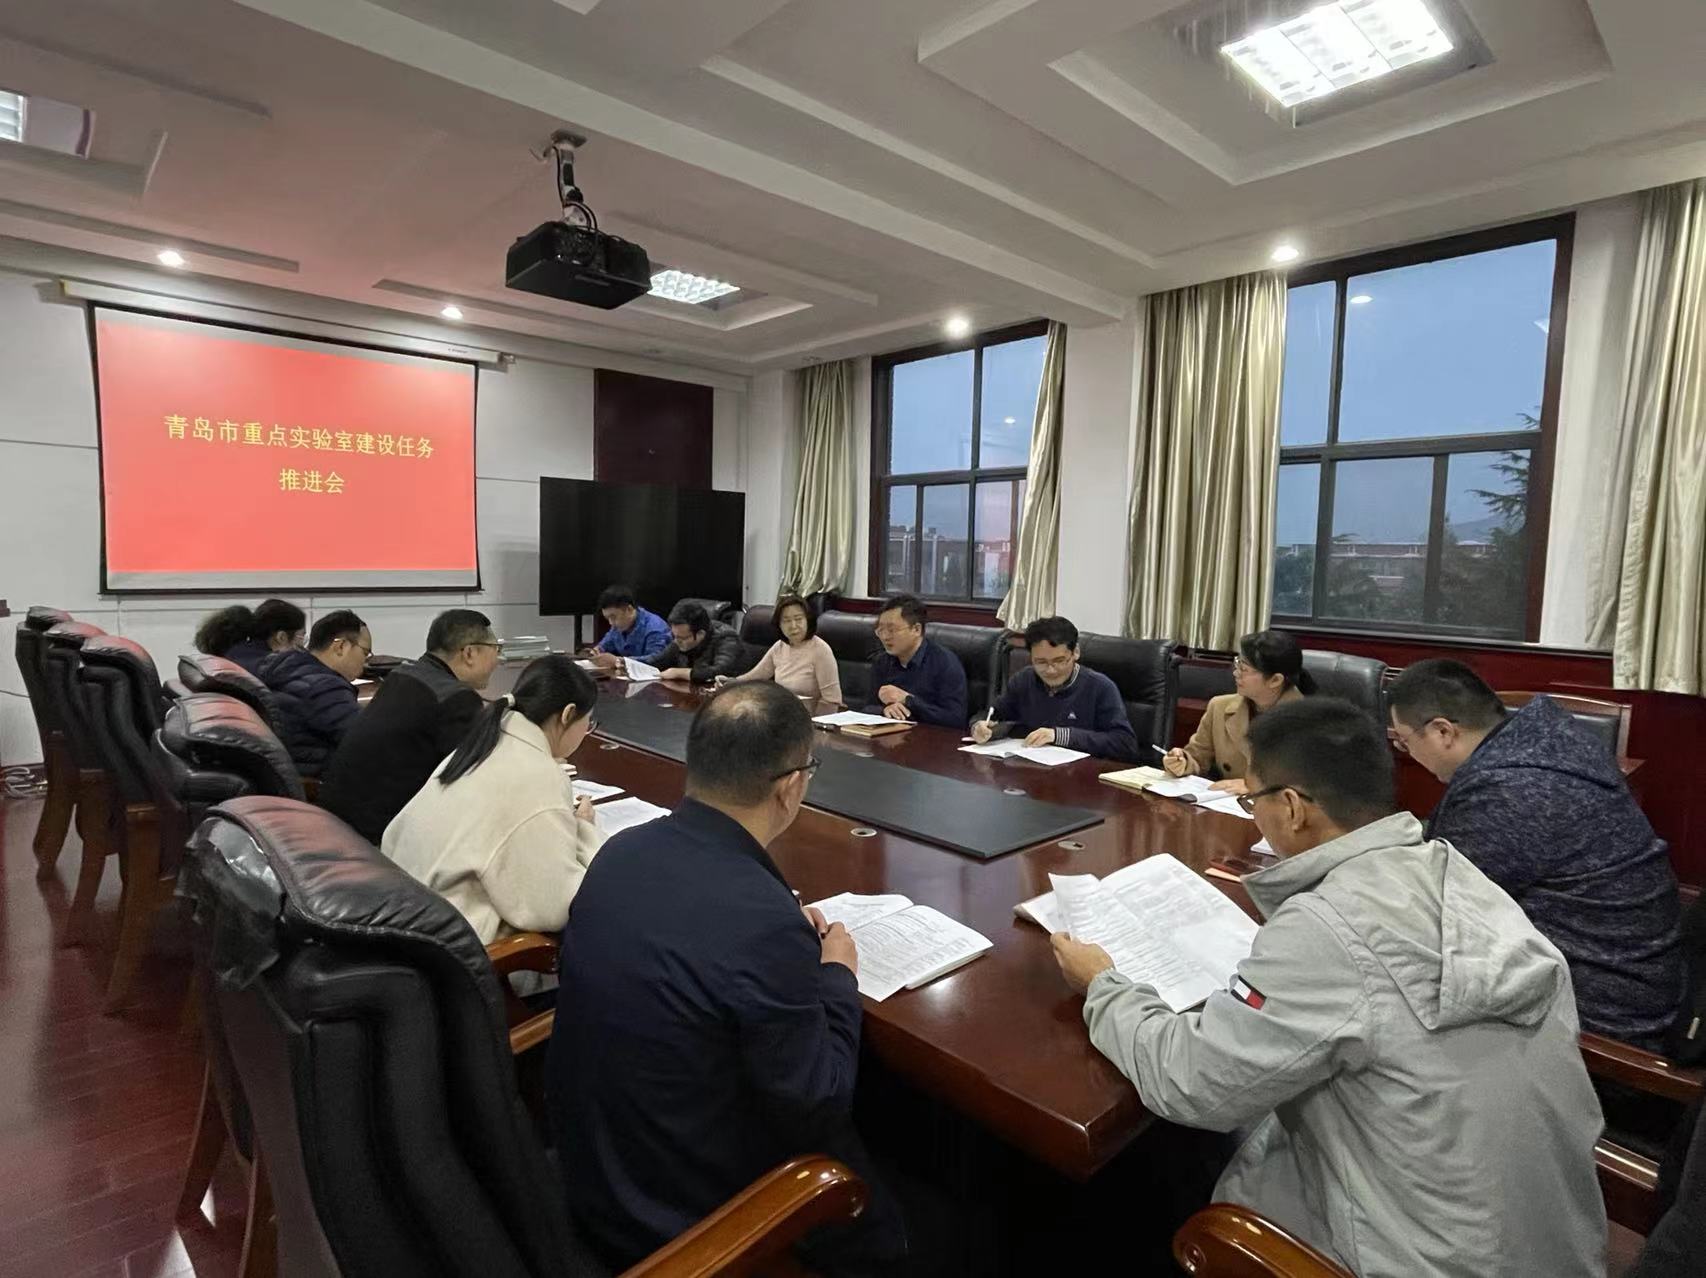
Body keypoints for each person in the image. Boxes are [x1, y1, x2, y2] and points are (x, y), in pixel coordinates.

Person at [1052, 698, 1607, 1278]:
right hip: (1550, 1242)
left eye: (1252, 800)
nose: (1254, 813)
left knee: (1164, 1176)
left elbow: (1191, 1082)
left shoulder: (1328, 926)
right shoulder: (1455, 871)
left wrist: (1104, 987)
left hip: (1420, 1255)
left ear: (1292, 808)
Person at [549, 682, 905, 1274]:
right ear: (791, 787)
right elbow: (820, 1101)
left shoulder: (620, 852)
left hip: (593, 1173)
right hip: (681, 1226)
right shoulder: (761, 921)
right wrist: (837, 973)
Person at [1387, 659, 1684, 1048]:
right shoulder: (1547, 739)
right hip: (1643, 979)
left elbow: (1430, 911)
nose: (1406, 752)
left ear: (1443, 731)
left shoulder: (1508, 791)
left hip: (1605, 1017)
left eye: (1404, 741)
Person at [382, 655, 604, 945]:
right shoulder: (536, 775)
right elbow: (554, 907)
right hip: (454, 949)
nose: (587, 731)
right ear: (567, 714)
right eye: (588, 722)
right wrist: (585, 830)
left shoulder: (482, 744)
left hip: (409, 914)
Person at [317, 609, 500, 844]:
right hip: (379, 840)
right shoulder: (456, 698)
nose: (498, 660)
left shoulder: (403, 675)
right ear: (470, 653)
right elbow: (474, 779)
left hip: (338, 821)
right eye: (496, 649)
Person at [1163, 629, 1313, 795]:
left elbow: (1312, 784)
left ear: (1275, 680)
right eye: (1237, 664)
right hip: (1225, 805)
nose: (1236, 673)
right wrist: (1182, 762)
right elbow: (1198, 757)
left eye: (1243, 668)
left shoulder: (1311, 720)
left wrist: (1255, 787)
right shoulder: (1219, 707)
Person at [968, 616, 1136, 760]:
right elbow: (991, 714)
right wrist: (978, 726)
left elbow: (1125, 744)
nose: (1050, 670)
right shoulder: (1023, 680)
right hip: (1032, 772)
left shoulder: (1100, 687)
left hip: (1083, 778)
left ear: (1075, 652)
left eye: (1059, 661)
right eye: (1041, 662)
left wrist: (1059, 736)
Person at [255, 609, 370, 778]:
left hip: (289, 772)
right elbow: (367, 740)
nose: (366, 663)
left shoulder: (289, 669)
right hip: (316, 782)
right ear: (341, 646)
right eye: (365, 652)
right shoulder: (325, 687)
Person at [719, 593, 842, 704]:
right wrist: (730, 682)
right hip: (783, 710)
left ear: (808, 620)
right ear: (779, 625)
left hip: (810, 716)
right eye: (786, 621)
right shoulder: (779, 647)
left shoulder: (821, 650)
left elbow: (833, 700)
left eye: (798, 619)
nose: (793, 626)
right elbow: (756, 675)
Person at [864, 594, 967, 728]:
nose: (885, 637)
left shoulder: (945, 663)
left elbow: (955, 719)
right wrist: (884, 710)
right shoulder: (882, 661)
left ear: (916, 629)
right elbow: (867, 707)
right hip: (890, 735)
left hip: (930, 738)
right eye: (881, 630)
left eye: (891, 630)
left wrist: (908, 700)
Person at [194, 598, 306, 675]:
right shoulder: (273, 669)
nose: (303, 644)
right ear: (282, 637)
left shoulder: (234, 656)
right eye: (301, 636)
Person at [646, 601, 743, 684]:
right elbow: (657, 660)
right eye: (674, 636)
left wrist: (680, 673)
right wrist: (636, 665)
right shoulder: (679, 639)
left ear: (700, 634)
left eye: (682, 638)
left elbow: (721, 672)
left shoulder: (727, 638)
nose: (676, 642)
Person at [587, 584, 671, 670]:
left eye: (613, 617)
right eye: (607, 618)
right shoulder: (618, 627)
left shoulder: (655, 628)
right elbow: (605, 645)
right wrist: (596, 651)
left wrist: (619, 661)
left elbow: (656, 661)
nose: (611, 623)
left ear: (629, 609)